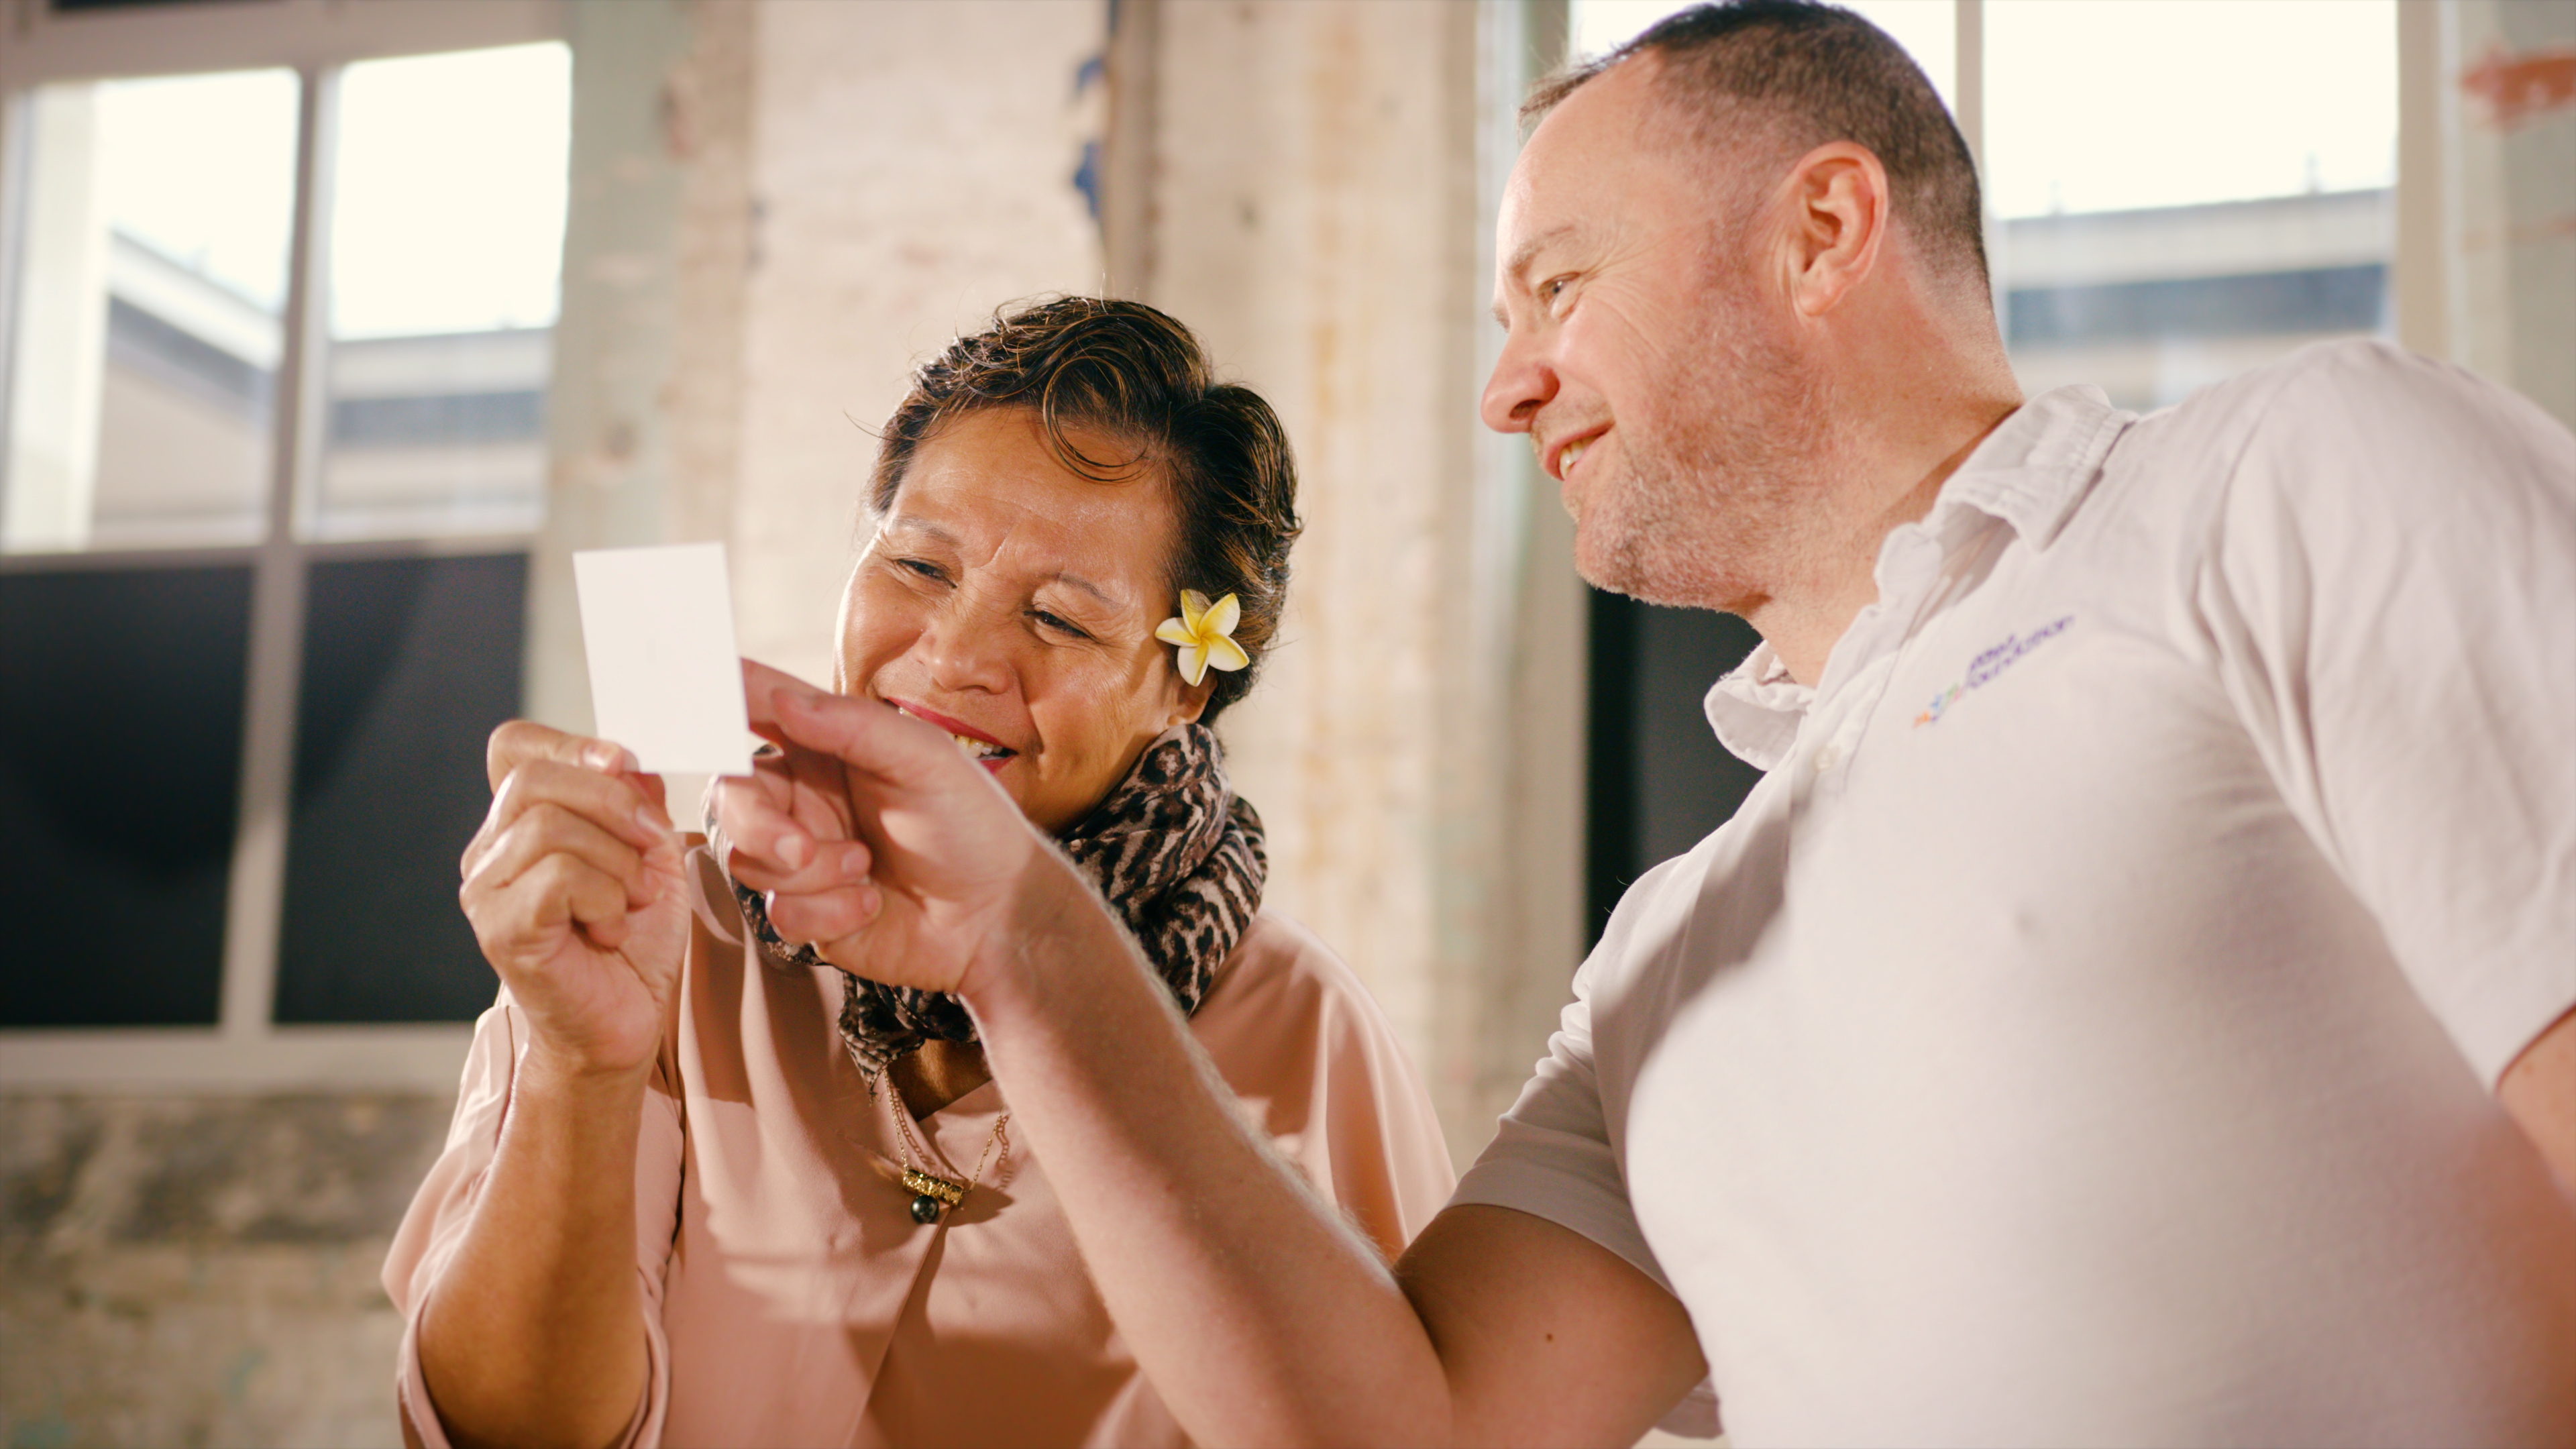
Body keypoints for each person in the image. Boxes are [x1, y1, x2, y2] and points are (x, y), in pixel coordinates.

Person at [715, 3, 2576, 1445]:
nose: (1505, 385)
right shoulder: (1672, 949)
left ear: (1825, 229)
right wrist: (1019, 945)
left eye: (1558, 287)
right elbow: (1399, 1424)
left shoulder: (2288, 482)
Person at [382, 297, 1456, 1449]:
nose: (951, 658)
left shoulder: (1299, 1034)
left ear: (1185, 684)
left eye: (1059, 618)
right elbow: (505, 1435)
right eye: (918, 565)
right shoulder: (665, 935)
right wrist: (579, 1065)